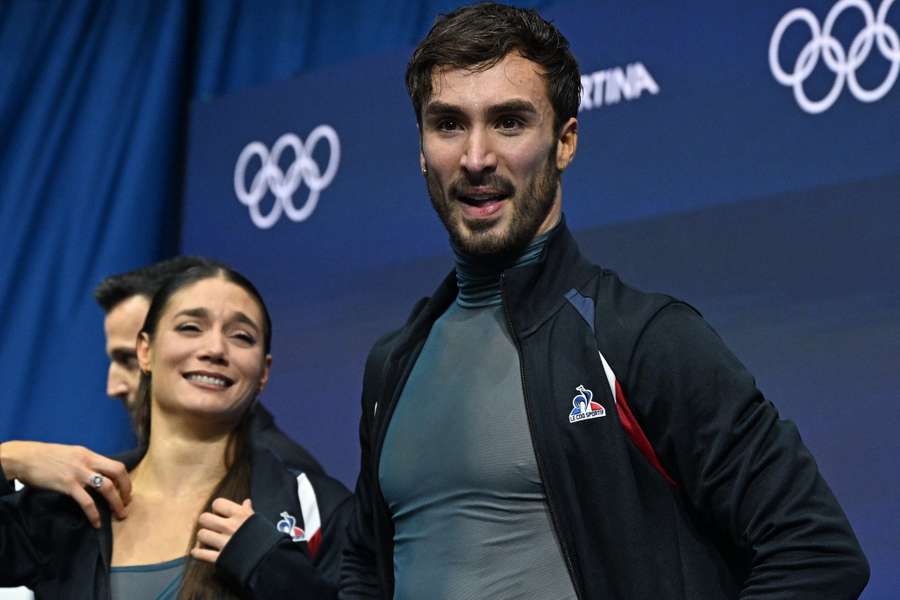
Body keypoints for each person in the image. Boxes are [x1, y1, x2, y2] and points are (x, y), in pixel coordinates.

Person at [339, 3, 868, 599]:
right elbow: (363, 568)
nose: (477, 157)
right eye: (449, 124)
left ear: (564, 142)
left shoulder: (643, 339)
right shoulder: (393, 365)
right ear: (422, 148)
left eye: (510, 122)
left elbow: (815, 550)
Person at [0, 261, 350, 598]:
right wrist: (8, 458)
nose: (214, 349)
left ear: (264, 372)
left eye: (242, 336)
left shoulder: (313, 505)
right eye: (190, 328)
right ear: (145, 351)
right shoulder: (75, 504)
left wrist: (273, 569)